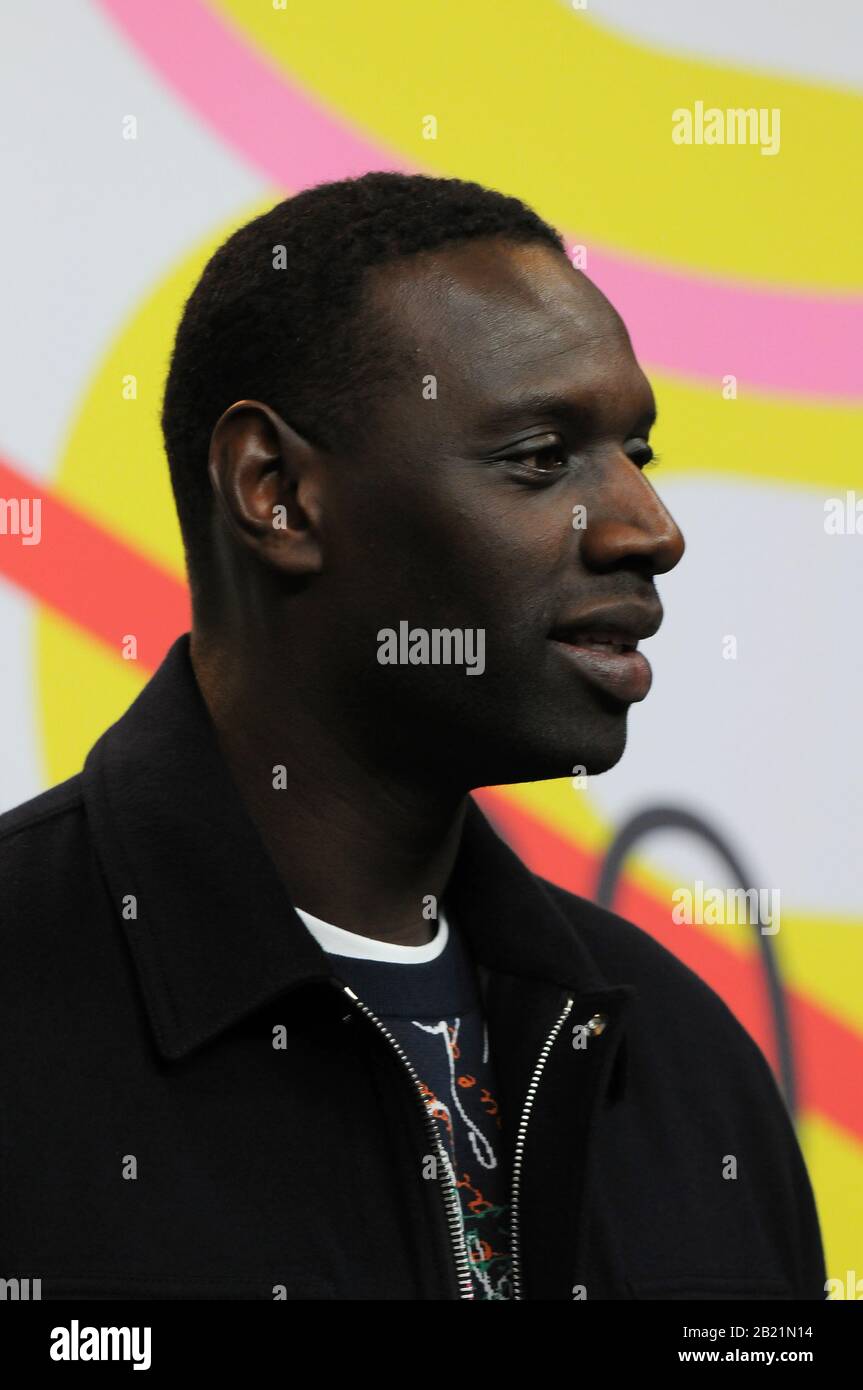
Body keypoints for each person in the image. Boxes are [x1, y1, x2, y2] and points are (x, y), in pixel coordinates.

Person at [0, 172, 825, 1300]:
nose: (648, 529)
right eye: (540, 456)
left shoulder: (676, 1064)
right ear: (276, 491)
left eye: (638, 453)